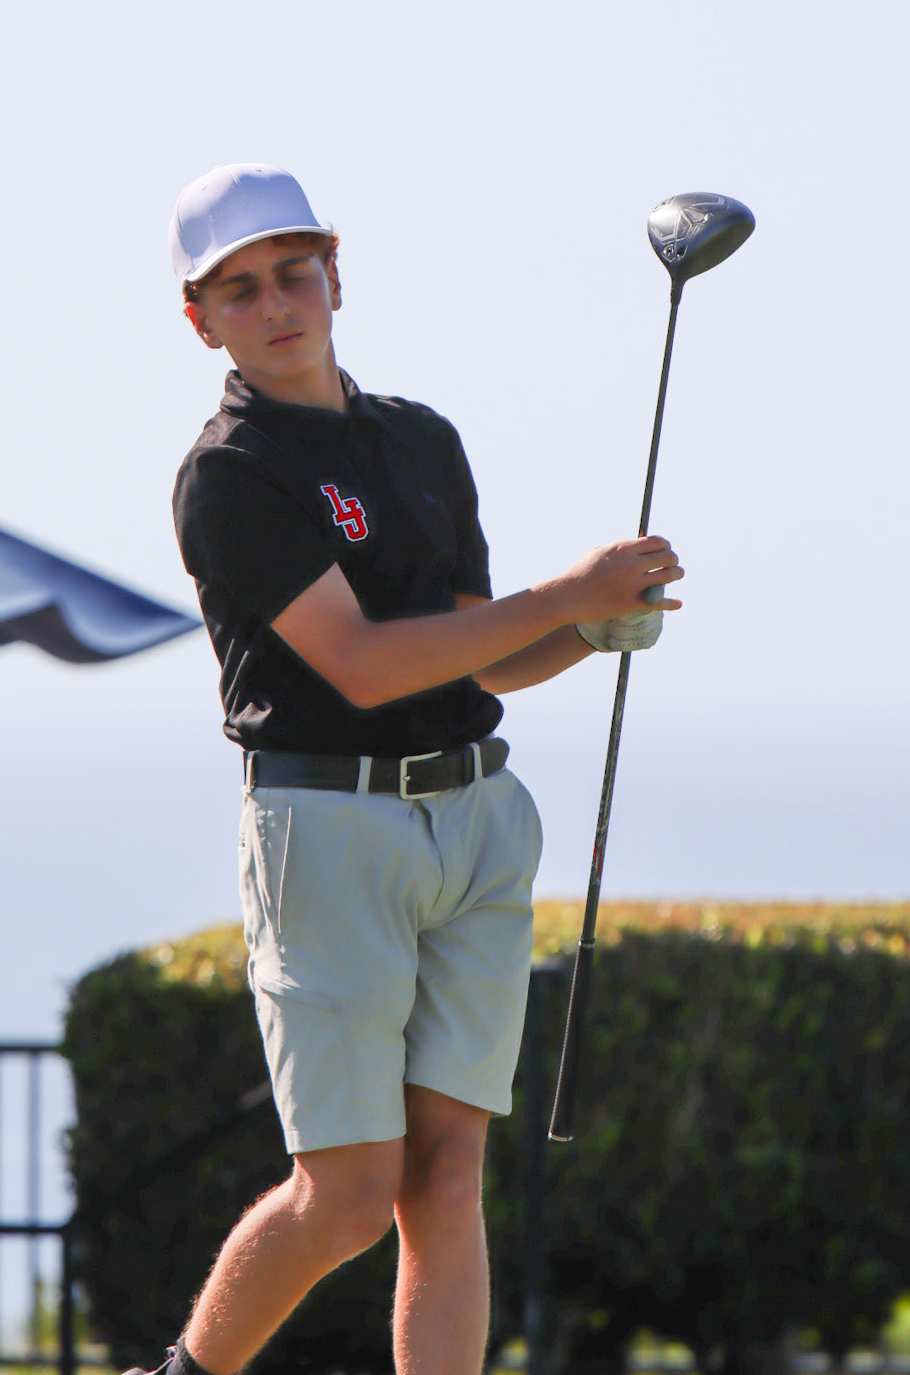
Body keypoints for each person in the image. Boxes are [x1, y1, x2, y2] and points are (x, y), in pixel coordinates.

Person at [136, 162, 683, 1375]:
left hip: (477, 815)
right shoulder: (229, 472)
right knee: (345, 1193)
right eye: (239, 289)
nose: (276, 303)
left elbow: (476, 652)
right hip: (329, 831)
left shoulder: (422, 440)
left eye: (293, 272)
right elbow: (365, 664)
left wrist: (596, 627)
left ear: (335, 272)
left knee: (446, 1172)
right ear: (200, 317)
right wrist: (569, 592)